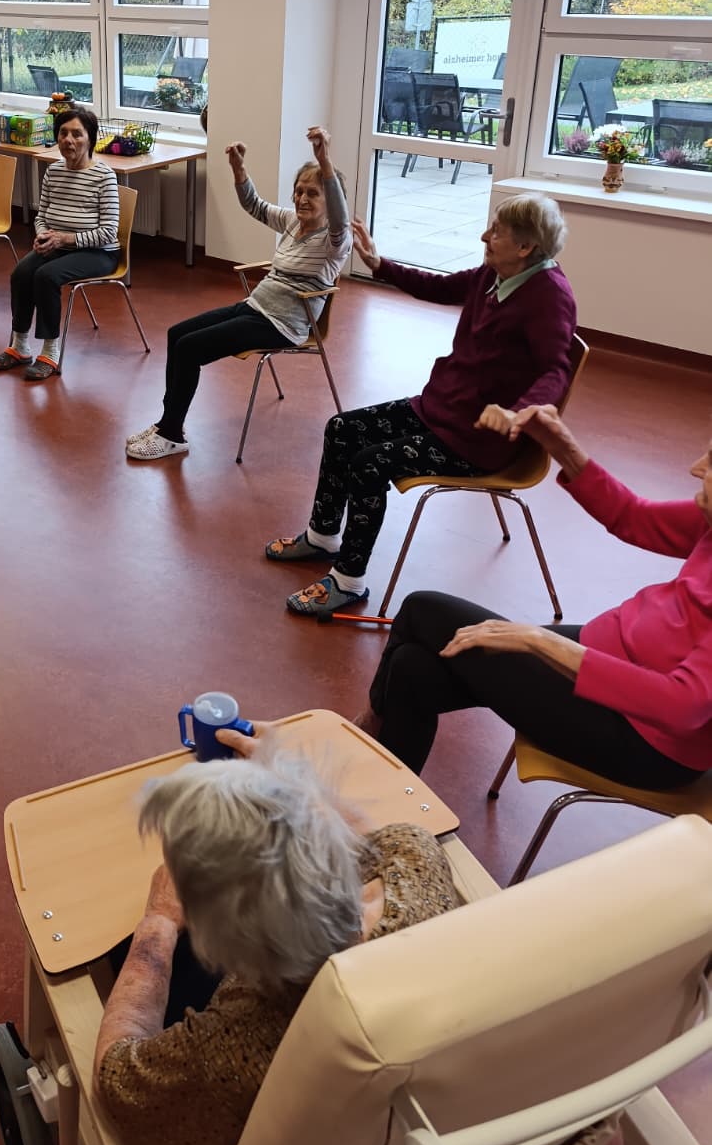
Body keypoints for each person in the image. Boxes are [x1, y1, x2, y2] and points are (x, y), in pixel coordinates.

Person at [93, 732, 458, 1145]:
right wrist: (290, 791)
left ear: (223, 942)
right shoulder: (418, 860)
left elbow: (118, 1085)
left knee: (114, 954)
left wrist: (161, 919)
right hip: (410, 1136)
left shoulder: (230, 1051)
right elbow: (375, 844)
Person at [360, 407, 712, 785]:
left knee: (421, 610)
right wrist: (562, 447)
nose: (695, 468)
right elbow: (633, 516)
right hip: (608, 652)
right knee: (413, 670)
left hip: (645, 739)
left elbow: (680, 708)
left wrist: (539, 641)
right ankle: (388, 802)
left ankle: (366, 732)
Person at [265, 194, 577, 618]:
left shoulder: (549, 296)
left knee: (369, 464)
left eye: (496, 232)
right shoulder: (495, 273)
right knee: (341, 429)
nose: (484, 236)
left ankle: (348, 580)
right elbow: (441, 287)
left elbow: (556, 370)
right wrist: (380, 265)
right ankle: (322, 538)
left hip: (477, 439)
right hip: (442, 409)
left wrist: (519, 412)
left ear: (526, 247)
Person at [126, 122, 350, 461]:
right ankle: (166, 423)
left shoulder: (336, 241)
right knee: (177, 334)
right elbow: (255, 206)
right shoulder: (293, 222)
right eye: (299, 191)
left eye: (313, 193)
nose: (302, 198)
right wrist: (239, 169)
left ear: (331, 200)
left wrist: (325, 161)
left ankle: (171, 434)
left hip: (283, 324)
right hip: (256, 307)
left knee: (189, 348)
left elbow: (341, 221)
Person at [0, 106, 119, 383]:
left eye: (77, 134)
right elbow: (42, 215)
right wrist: (43, 235)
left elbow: (109, 232)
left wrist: (65, 238)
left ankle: (50, 352)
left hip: (98, 252)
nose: (68, 140)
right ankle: (20, 346)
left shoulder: (104, 176)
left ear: (90, 139)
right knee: (22, 273)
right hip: (58, 245)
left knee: (46, 276)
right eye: (63, 133)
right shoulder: (54, 171)